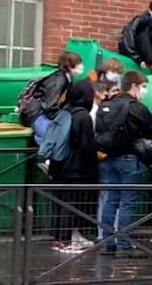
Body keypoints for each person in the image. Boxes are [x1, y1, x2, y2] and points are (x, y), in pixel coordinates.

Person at [96, 70, 152, 258]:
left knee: (110, 201)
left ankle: (106, 242)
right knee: (128, 202)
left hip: (108, 157)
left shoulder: (107, 105)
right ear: (134, 85)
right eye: (143, 87)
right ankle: (124, 243)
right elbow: (150, 130)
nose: (144, 91)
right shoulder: (137, 108)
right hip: (129, 158)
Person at [48, 79, 98, 253]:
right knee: (73, 205)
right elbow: (86, 146)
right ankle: (67, 240)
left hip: (58, 168)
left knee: (61, 205)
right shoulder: (83, 116)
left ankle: (61, 239)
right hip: (76, 170)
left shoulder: (62, 112)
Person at [23, 52, 84, 145]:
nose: (81, 66)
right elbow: (49, 105)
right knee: (52, 138)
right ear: (69, 66)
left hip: (38, 112)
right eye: (78, 64)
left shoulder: (65, 79)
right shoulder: (60, 80)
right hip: (37, 113)